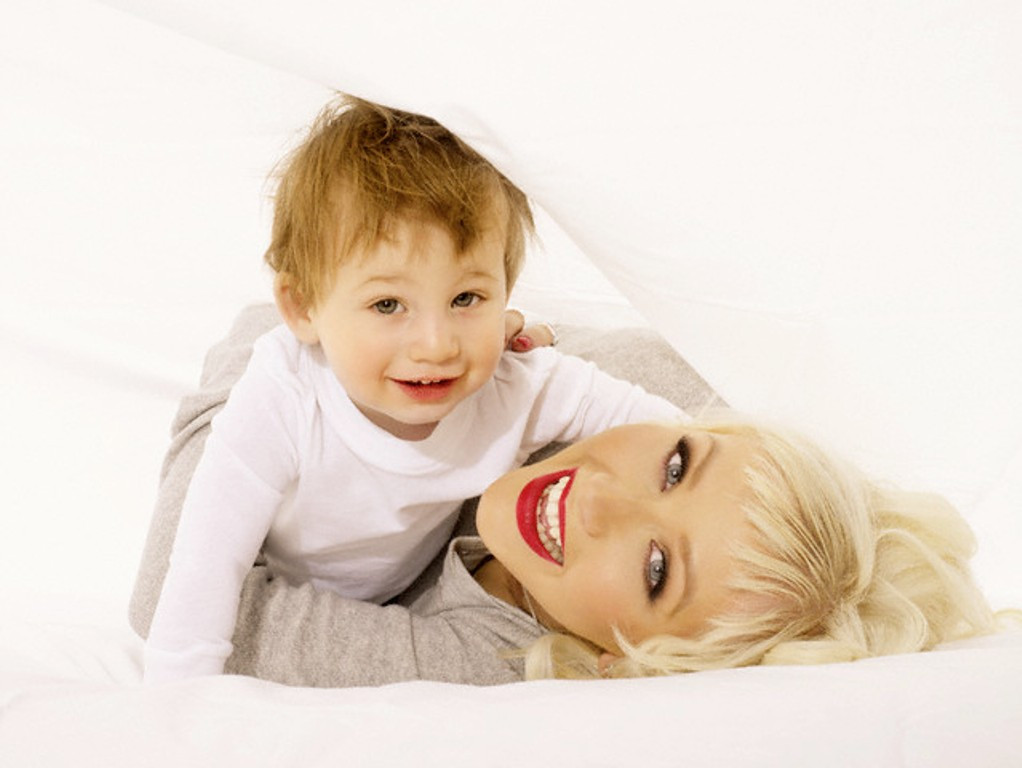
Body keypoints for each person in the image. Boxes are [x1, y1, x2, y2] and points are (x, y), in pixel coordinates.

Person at [131, 305, 997, 686]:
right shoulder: (655, 393)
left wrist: (313, 389)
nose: (599, 501)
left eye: (657, 571)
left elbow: (170, 603)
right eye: (674, 468)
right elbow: (288, 308)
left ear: (633, 659)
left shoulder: (489, 660)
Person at [142, 96, 684, 683]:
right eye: (388, 305)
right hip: (276, 575)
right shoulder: (284, 397)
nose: (436, 345)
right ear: (302, 308)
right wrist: (180, 701)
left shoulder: (515, 385)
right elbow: (204, 562)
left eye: (466, 299)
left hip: (404, 587)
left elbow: (666, 425)